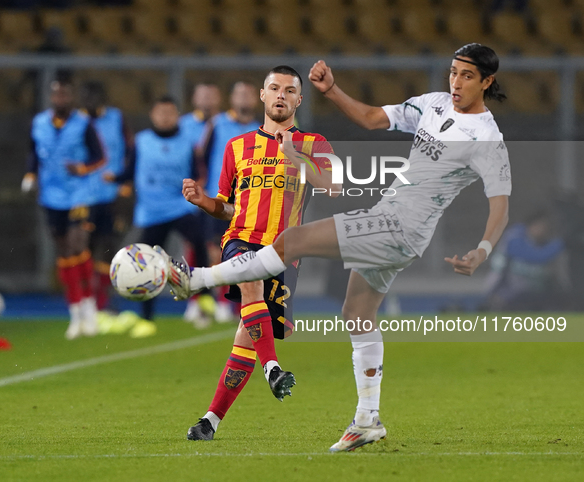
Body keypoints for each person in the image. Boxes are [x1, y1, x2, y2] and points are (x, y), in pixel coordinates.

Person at [166, 44, 512, 451]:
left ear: (487, 82)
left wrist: (484, 249)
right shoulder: (431, 105)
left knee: (292, 240)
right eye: (453, 72)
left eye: (467, 76)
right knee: (356, 312)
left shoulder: (488, 138)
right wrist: (331, 90)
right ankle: (367, 420)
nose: (455, 82)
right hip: (395, 222)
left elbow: (501, 202)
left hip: (400, 226)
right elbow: (370, 118)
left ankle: (197, 279)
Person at [178, 66, 338, 441]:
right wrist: (205, 202)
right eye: (274, 88)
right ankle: (273, 369)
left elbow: (332, 186)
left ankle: (210, 421)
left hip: (286, 251)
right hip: (242, 239)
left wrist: (294, 156)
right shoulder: (237, 147)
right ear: (263, 96)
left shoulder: (315, 143)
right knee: (248, 282)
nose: (281, 94)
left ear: (299, 99)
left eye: (289, 90)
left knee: (244, 341)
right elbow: (228, 207)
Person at [105, 95, 208, 338]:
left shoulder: (187, 142)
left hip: (180, 207)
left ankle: (204, 297)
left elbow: (197, 173)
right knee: (147, 266)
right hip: (151, 213)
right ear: (152, 115)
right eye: (160, 112)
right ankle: (147, 319)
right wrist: (116, 179)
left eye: (170, 112)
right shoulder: (141, 142)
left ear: (177, 115)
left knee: (200, 241)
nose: (165, 117)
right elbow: (130, 171)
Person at [22, 77, 105, 339]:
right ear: (51, 98)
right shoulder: (39, 124)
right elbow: (34, 153)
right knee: (63, 250)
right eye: (57, 95)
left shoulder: (83, 124)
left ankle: (89, 307)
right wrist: (30, 175)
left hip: (79, 195)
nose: (61, 100)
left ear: (71, 98)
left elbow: (100, 157)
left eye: (65, 95)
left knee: (77, 244)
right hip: (51, 196)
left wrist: (81, 169)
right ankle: (75, 310)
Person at [184, 81, 261, 325]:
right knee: (213, 252)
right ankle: (209, 302)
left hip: (250, 202)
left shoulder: (262, 129)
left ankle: (233, 303)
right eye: (239, 93)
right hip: (221, 199)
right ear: (231, 98)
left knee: (244, 254)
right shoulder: (217, 125)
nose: (244, 98)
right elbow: (200, 157)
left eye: (248, 93)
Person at [80, 80, 133, 313]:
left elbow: (130, 150)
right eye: (86, 97)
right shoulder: (76, 123)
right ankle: (86, 300)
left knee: (110, 247)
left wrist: (125, 182)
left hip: (112, 195)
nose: (90, 102)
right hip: (84, 196)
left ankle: (104, 301)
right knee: (84, 249)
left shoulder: (116, 118)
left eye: (94, 97)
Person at [179, 82, 222, 325]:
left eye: (211, 95)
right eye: (202, 95)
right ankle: (194, 301)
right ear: (194, 98)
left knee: (220, 251)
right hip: (190, 198)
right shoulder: (184, 125)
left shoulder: (223, 125)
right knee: (194, 250)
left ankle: (221, 300)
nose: (206, 100)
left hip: (218, 196)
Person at [484, 209, 567, 310]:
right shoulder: (514, 237)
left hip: (530, 292)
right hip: (504, 290)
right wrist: (562, 243)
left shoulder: (538, 241)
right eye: (542, 226)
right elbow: (535, 257)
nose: (544, 230)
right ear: (532, 225)